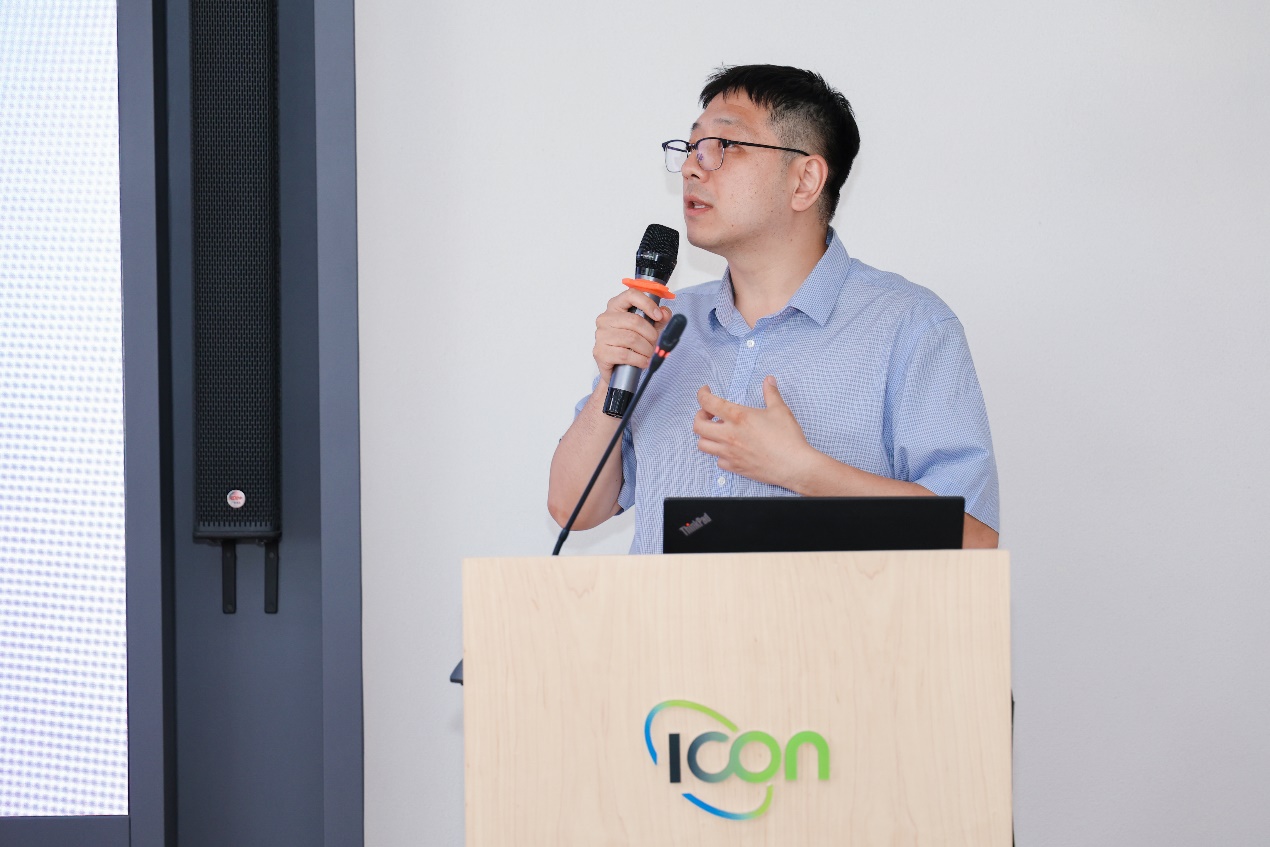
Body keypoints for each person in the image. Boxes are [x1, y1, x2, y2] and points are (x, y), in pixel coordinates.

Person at [548, 64, 999, 553]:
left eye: (723, 145)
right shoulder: (667, 327)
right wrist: (612, 381)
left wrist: (804, 472)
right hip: (662, 607)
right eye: (691, 147)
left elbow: (974, 539)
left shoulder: (910, 325)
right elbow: (573, 508)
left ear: (805, 180)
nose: (692, 167)